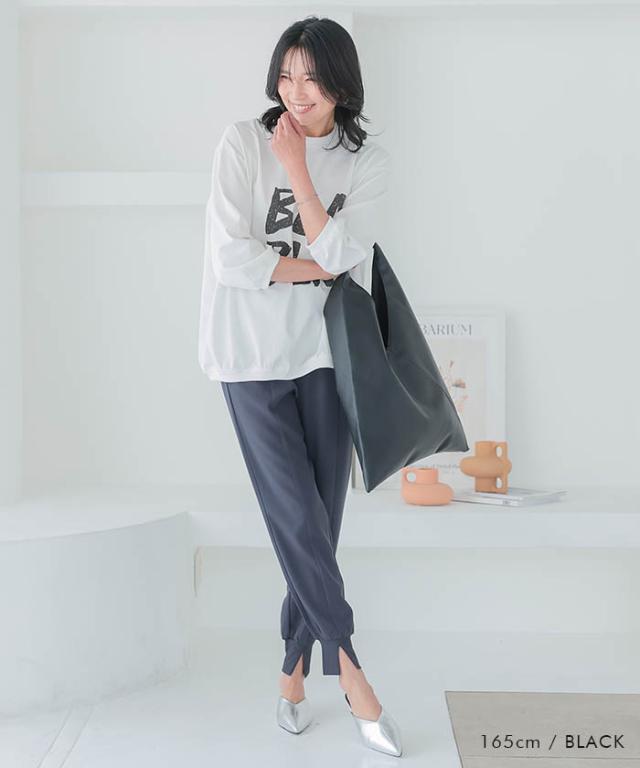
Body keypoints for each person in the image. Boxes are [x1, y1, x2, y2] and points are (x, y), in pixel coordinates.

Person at [198, 16, 402, 757]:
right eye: (286, 75)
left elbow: (344, 253)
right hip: (248, 356)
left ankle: (291, 673)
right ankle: (352, 673)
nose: (296, 92)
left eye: (312, 77)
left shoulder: (367, 162)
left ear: (342, 83)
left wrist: (299, 171)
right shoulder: (241, 143)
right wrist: (320, 263)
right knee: (295, 516)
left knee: (319, 524)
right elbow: (230, 259)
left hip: (323, 356)